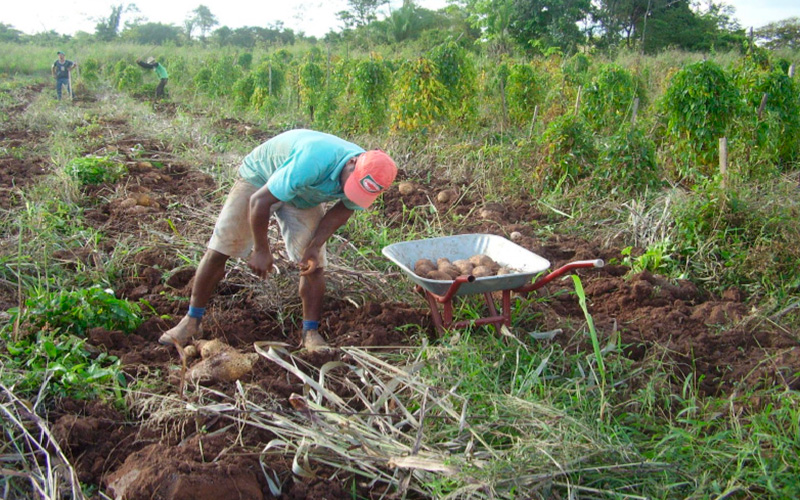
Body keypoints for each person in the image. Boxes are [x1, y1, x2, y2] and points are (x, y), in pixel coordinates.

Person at [158, 129, 398, 351]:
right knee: (222, 247)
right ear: (352, 162)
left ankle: (309, 334)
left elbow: (343, 210)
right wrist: (262, 250)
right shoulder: (314, 158)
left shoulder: (370, 179)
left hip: (304, 195)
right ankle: (191, 320)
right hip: (261, 178)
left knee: (314, 265)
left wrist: (314, 247)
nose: (350, 190)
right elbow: (259, 201)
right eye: (351, 183)